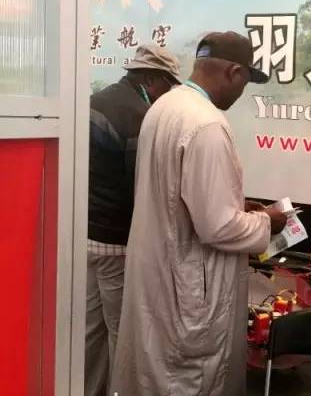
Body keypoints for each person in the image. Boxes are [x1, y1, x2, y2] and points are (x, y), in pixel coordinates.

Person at [110, 31, 287, 396]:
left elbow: (176, 194)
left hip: (160, 273)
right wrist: (267, 221)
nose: (241, 93)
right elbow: (218, 227)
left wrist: (233, 205)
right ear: (234, 72)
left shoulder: (164, 107)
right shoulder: (207, 125)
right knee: (189, 380)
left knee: (154, 375)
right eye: (245, 82)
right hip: (189, 288)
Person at [85, 43, 181, 396]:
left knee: (90, 331)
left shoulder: (96, 100)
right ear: (152, 79)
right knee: (121, 334)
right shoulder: (140, 117)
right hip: (115, 242)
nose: (168, 94)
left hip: (84, 236)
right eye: (169, 85)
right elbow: (141, 189)